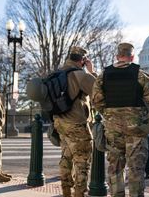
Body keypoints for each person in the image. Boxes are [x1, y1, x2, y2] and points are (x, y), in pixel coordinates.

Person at [92, 42, 149, 197]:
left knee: (115, 168)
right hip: (136, 130)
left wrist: (110, 115)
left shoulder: (103, 76)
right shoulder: (141, 75)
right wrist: (140, 115)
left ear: (117, 56)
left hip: (113, 129)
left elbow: (96, 101)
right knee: (136, 170)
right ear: (132, 57)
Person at [53, 46, 97, 197]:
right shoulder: (80, 75)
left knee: (66, 157)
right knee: (82, 162)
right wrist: (91, 72)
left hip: (60, 123)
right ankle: (79, 193)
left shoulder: (57, 73)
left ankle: (66, 191)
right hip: (77, 124)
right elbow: (98, 90)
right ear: (83, 61)